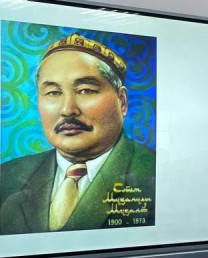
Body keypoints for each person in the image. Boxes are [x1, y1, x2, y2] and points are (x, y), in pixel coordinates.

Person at [0, 33, 155, 235]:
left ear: (122, 102)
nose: (67, 110)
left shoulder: (156, 175)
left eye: (85, 90)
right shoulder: (7, 177)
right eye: (53, 93)